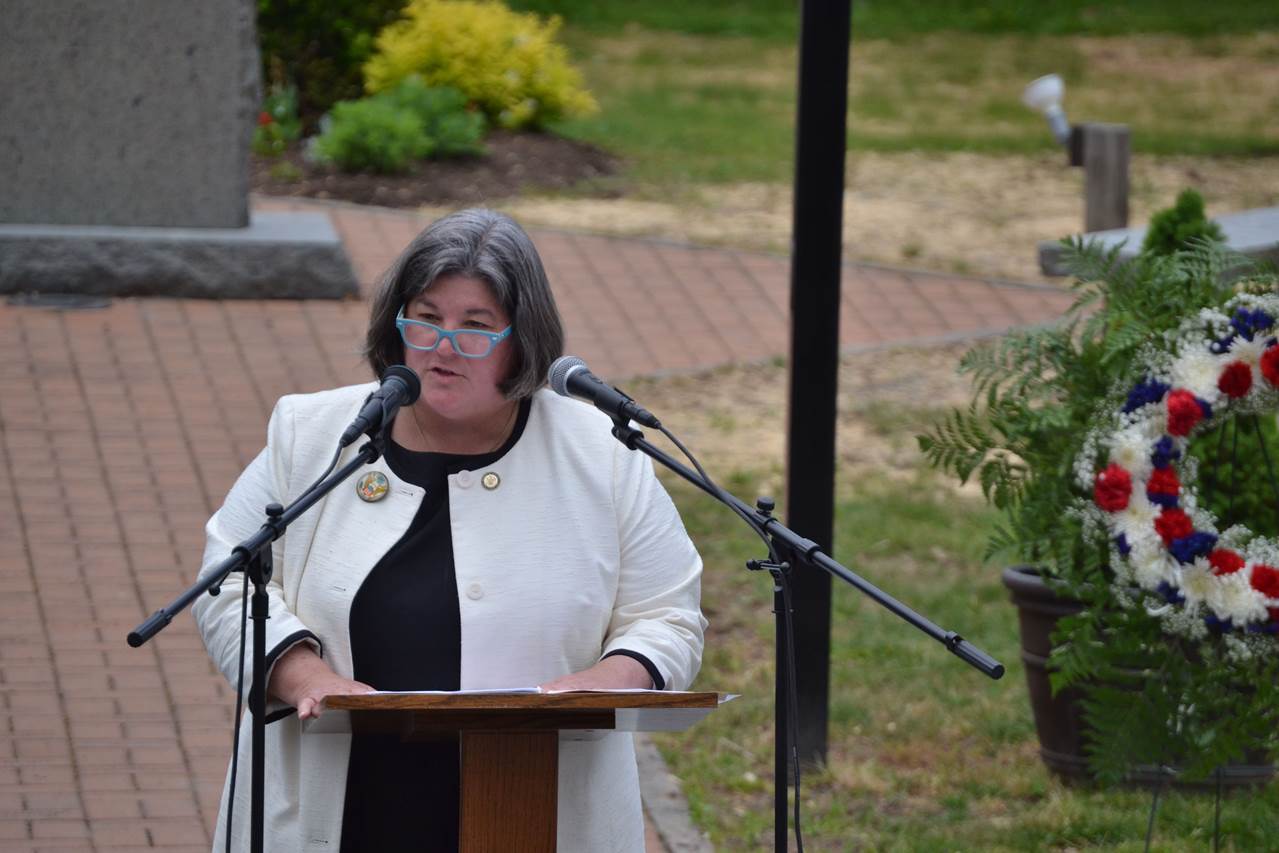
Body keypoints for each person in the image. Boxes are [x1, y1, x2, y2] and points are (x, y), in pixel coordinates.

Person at [192, 209, 707, 852]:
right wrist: (303, 675)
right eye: (427, 318)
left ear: (524, 341)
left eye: (475, 328)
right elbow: (228, 585)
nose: (442, 346)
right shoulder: (314, 434)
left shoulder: (600, 454)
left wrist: (613, 677)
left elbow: (668, 616)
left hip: (531, 806)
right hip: (340, 804)